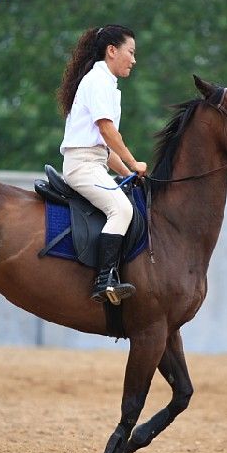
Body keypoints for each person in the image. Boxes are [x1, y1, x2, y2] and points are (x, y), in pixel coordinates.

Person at [57, 25, 147, 304]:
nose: (133, 60)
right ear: (111, 51)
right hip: (82, 166)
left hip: (94, 162)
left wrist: (129, 172)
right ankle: (104, 279)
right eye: (130, 52)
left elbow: (104, 148)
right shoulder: (98, 81)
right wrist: (133, 161)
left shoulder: (106, 83)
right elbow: (107, 131)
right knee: (121, 209)